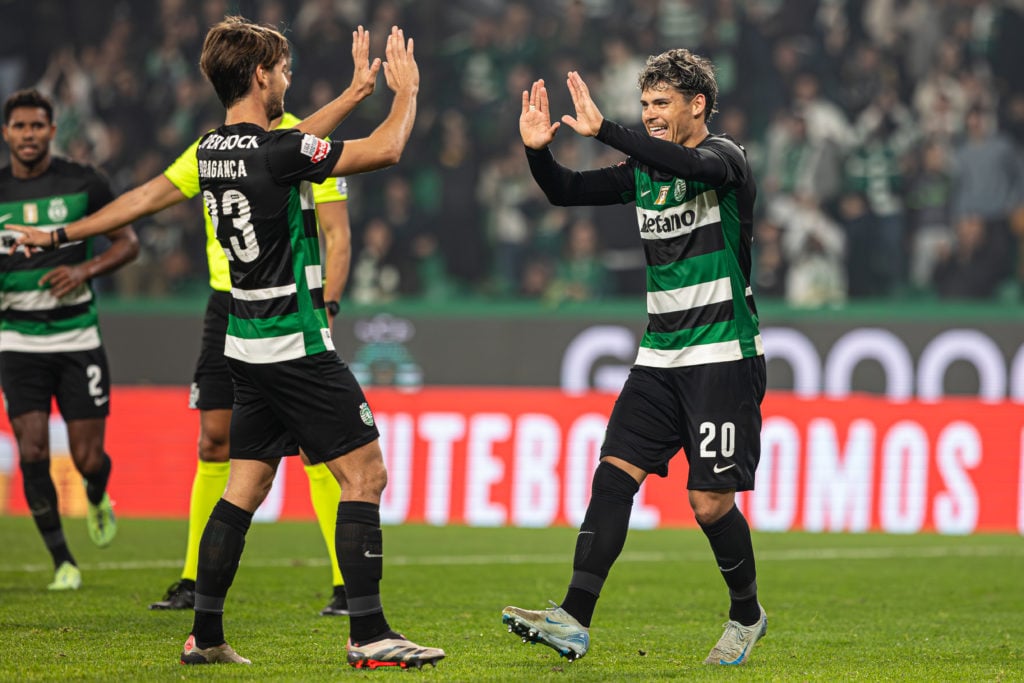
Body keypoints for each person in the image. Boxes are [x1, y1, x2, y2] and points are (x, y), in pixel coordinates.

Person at [12, 18, 442, 670]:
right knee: (366, 474)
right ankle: (370, 633)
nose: (290, 79)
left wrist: (355, 91)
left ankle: (205, 632)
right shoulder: (277, 153)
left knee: (243, 484)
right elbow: (385, 150)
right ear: (262, 76)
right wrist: (405, 93)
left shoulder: (213, 150)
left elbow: (276, 146)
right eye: (285, 69)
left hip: (242, 342)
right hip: (296, 343)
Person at [502, 51, 767, 666]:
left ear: (697, 105)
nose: (649, 115)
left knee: (709, 505)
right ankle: (573, 618)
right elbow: (566, 192)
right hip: (659, 357)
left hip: (723, 355)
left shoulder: (725, 160)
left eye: (662, 104)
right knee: (614, 473)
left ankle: (746, 614)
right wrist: (538, 150)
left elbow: (685, 162)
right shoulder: (644, 172)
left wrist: (606, 132)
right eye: (643, 105)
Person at [146, 111, 353, 617]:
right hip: (228, 305)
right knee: (214, 441)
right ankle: (194, 579)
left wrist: (326, 305)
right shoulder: (213, 148)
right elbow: (156, 193)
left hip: (291, 305)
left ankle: (344, 587)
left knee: (315, 448)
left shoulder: (305, 140)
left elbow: (337, 236)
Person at [0, 88, 140, 590]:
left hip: (77, 337)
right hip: (17, 341)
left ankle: (98, 495)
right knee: (32, 449)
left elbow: (128, 243)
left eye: (37, 125)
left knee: (86, 459)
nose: (29, 134)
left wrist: (83, 270)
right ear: (7, 133)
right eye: (19, 126)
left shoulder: (84, 182)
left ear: (52, 130)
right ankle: (63, 560)